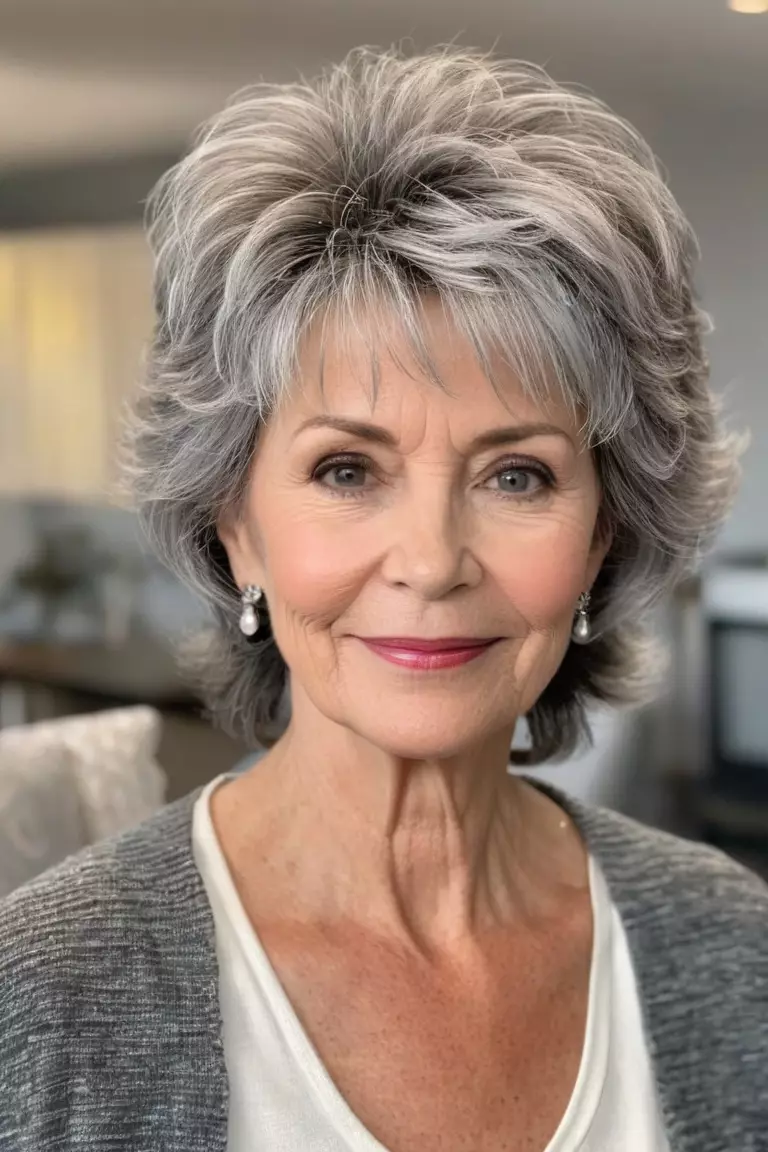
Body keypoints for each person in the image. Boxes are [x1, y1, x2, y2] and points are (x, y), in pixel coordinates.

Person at [1, 45, 766, 1152]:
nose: (432, 559)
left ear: (604, 534)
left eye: (518, 475)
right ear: (237, 528)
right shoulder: (39, 1002)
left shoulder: (733, 953)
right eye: (347, 471)